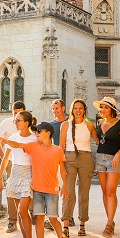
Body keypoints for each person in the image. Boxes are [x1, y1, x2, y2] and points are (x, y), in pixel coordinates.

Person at [0, 122, 67, 238]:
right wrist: (6, 141)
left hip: (52, 190)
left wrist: (65, 187)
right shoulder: (34, 147)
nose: (36, 133)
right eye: (35, 131)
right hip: (37, 190)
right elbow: (18, 145)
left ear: (48, 132)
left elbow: (62, 170)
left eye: (39, 131)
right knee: (39, 220)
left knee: (53, 219)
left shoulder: (58, 150)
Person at [0, 111, 38, 238]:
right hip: (15, 174)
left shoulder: (34, 138)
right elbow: (5, 159)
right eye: (15, 120)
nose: (15, 123)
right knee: (20, 212)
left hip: (28, 175)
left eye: (18, 120)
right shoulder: (13, 137)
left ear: (27, 123)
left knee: (23, 209)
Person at [59, 99, 98, 237]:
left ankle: (82, 224)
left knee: (84, 193)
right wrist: (60, 164)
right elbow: (61, 147)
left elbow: (99, 141)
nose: (78, 110)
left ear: (84, 110)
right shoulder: (65, 125)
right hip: (69, 158)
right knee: (68, 192)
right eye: (75, 108)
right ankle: (66, 225)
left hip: (85, 158)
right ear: (72, 110)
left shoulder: (89, 125)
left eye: (80, 108)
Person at [93, 96, 120, 238]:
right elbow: (98, 140)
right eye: (101, 107)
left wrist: (117, 155)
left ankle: (108, 224)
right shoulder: (99, 122)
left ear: (112, 110)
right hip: (100, 158)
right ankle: (110, 221)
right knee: (104, 191)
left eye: (105, 107)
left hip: (114, 160)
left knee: (110, 191)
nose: (102, 110)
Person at [0, 101, 26, 232]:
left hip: (26, 162)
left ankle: (30, 217)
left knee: (28, 188)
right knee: (11, 191)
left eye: (19, 112)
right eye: (15, 113)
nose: (17, 115)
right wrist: (5, 160)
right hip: (11, 161)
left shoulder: (29, 122)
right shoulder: (6, 123)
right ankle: (12, 221)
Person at [45, 99, 68, 231]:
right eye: (53, 109)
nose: (54, 111)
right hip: (54, 160)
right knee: (53, 189)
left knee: (67, 188)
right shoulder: (50, 125)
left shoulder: (69, 123)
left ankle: (67, 216)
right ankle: (53, 217)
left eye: (57, 108)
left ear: (63, 108)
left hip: (67, 159)